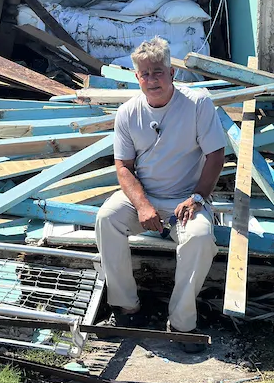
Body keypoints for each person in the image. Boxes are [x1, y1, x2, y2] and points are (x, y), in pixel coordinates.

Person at [94, 37, 227, 349]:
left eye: (158, 72)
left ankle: (181, 323)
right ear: (137, 77)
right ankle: (127, 307)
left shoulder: (197, 103)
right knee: (106, 220)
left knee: (199, 238)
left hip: (187, 198)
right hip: (146, 196)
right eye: (145, 74)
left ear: (172, 74)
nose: (152, 80)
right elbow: (124, 167)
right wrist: (142, 205)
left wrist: (197, 197)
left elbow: (216, 155)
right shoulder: (128, 113)